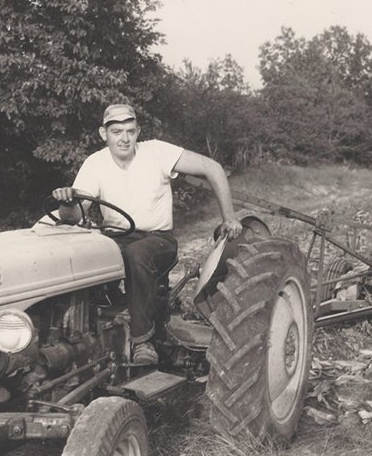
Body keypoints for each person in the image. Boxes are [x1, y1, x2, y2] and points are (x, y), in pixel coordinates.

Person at [52, 103, 242, 364]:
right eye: (116, 131)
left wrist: (229, 217)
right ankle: (84, 335)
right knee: (81, 253)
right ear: (102, 134)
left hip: (158, 240)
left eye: (130, 131)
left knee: (138, 253)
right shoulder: (94, 163)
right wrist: (66, 203)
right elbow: (74, 216)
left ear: (138, 131)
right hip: (115, 238)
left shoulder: (157, 152)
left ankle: (143, 341)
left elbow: (214, 168)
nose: (124, 138)